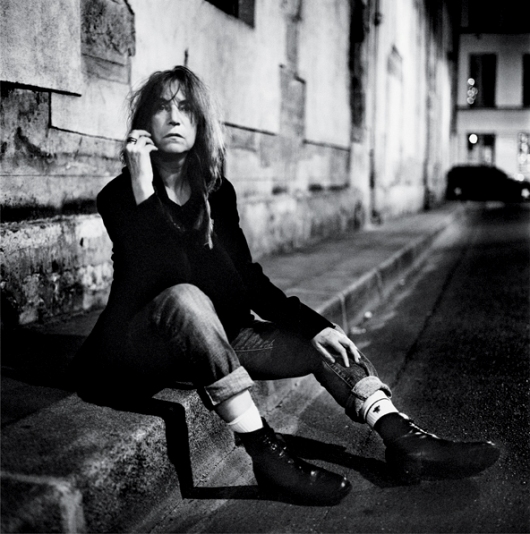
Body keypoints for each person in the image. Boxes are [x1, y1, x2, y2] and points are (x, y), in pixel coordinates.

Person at [71, 65, 499, 506]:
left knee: (322, 343)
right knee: (186, 297)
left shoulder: (215, 192)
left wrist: (315, 325)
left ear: (200, 123)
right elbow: (164, 276)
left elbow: (247, 277)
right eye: (162, 108)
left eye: (186, 108)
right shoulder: (120, 196)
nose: (175, 117)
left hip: (214, 341)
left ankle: (404, 438)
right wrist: (144, 190)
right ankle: (267, 455)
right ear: (145, 123)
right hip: (141, 347)